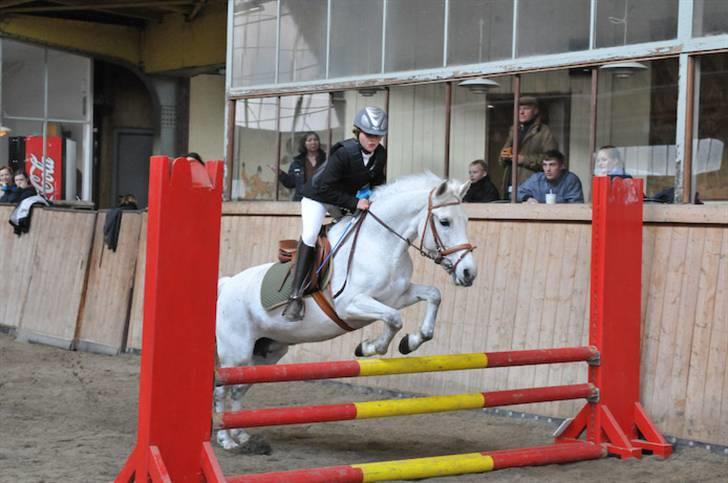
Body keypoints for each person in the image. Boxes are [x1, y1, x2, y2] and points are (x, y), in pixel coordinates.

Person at [283, 106, 388, 321]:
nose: (373, 140)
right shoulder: (343, 153)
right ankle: (295, 296)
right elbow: (324, 190)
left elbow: (377, 183)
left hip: (343, 200)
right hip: (317, 197)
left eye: (377, 136)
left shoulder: (380, 154)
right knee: (311, 235)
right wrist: (355, 202)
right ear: (357, 131)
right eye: (369, 135)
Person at [499, 96, 558, 198]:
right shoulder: (514, 130)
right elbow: (501, 160)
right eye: (519, 109)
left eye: (525, 109)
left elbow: (552, 160)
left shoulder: (544, 132)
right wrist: (504, 157)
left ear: (535, 111)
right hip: (509, 185)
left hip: (530, 188)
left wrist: (524, 160)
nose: (521, 112)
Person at [271, 132, 326, 201]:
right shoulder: (297, 162)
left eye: (315, 140)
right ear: (304, 144)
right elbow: (291, 183)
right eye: (309, 140)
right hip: (302, 200)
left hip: (322, 200)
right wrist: (280, 173)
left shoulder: (327, 160)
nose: (313, 142)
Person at [517, 150, 584, 204]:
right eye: (545, 165)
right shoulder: (537, 178)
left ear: (561, 166)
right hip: (538, 217)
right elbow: (516, 192)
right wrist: (528, 198)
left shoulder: (570, 180)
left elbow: (576, 205)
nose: (548, 169)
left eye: (552, 165)